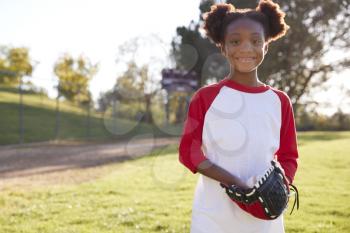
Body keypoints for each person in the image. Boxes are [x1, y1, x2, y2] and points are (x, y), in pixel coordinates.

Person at [178, 0, 299, 232]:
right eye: (235, 41)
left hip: (264, 217)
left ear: (266, 46)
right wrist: (235, 183)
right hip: (213, 214)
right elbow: (188, 152)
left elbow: (289, 156)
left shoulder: (280, 101)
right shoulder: (206, 97)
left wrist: (281, 185)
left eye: (255, 41)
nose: (246, 48)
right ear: (222, 46)